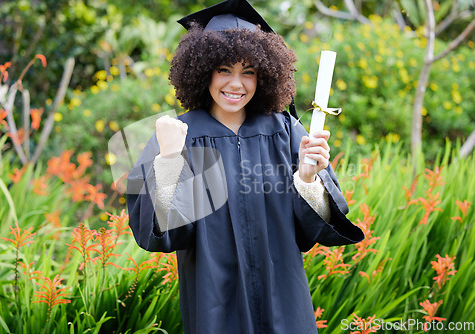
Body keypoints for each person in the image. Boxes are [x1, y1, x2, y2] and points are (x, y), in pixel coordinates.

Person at [127, 0, 364, 332]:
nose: (236, 84)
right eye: (224, 70)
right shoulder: (179, 136)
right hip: (215, 306)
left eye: (248, 72)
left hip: (285, 304)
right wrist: (168, 161)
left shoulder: (284, 131)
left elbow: (315, 229)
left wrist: (308, 180)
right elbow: (159, 234)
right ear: (201, 69)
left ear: (264, 76)